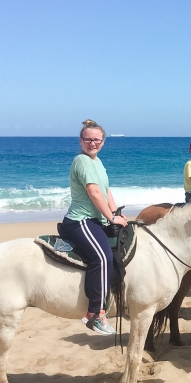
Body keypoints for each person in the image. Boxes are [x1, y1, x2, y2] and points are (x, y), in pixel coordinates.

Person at [58, 119, 127, 336]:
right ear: (81, 141)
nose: (92, 143)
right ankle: (95, 314)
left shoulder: (97, 162)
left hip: (97, 219)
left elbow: (106, 191)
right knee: (102, 257)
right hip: (81, 220)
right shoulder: (82, 160)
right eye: (88, 139)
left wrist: (115, 213)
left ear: (103, 142)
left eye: (97, 139)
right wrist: (111, 218)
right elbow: (93, 192)